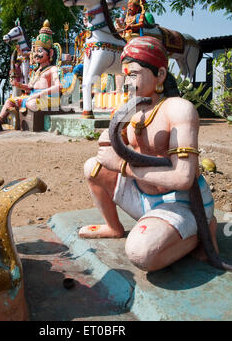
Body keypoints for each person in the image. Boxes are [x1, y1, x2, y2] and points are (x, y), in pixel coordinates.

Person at [80, 36, 218, 272]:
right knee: (92, 167)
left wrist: (125, 167)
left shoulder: (178, 109)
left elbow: (184, 178)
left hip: (179, 202)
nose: (126, 82)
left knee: (141, 254)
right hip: (142, 198)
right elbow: (111, 149)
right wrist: (110, 142)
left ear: (161, 75)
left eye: (133, 74)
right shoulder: (132, 109)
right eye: (124, 75)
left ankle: (202, 232)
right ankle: (114, 227)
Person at [0, 20, 62, 125]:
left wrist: (40, 94)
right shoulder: (36, 71)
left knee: (31, 103)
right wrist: (18, 84)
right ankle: (0, 119)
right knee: (9, 101)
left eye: (40, 51)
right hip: (32, 96)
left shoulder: (53, 69)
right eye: (35, 52)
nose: (36, 55)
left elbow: (59, 87)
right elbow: (30, 87)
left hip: (46, 98)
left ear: (50, 53)